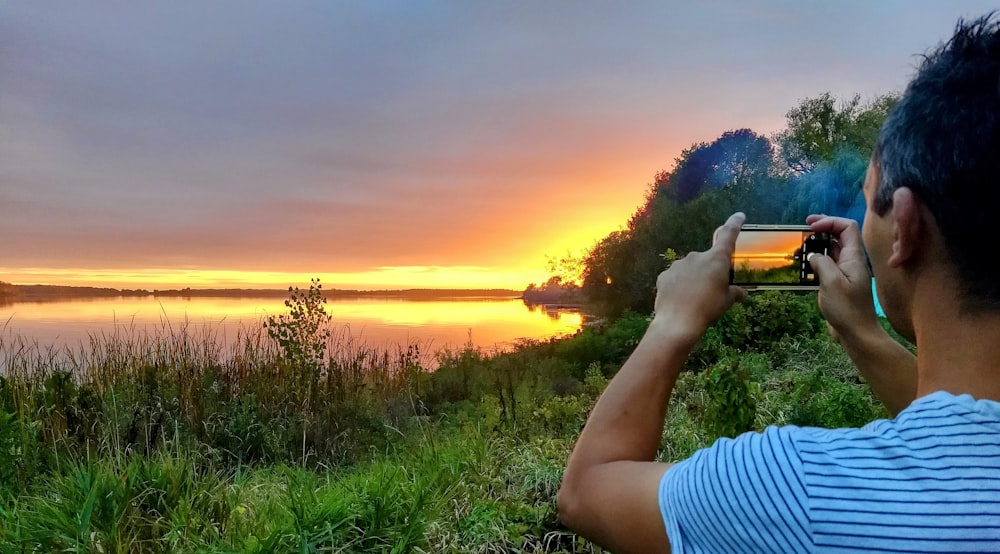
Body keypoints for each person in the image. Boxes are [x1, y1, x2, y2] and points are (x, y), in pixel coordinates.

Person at [558, 14, 1000, 553]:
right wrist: (860, 332)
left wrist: (673, 320)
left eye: (868, 202)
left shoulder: (797, 489)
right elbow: (964, 434)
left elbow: (586, 492)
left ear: (905, 227)